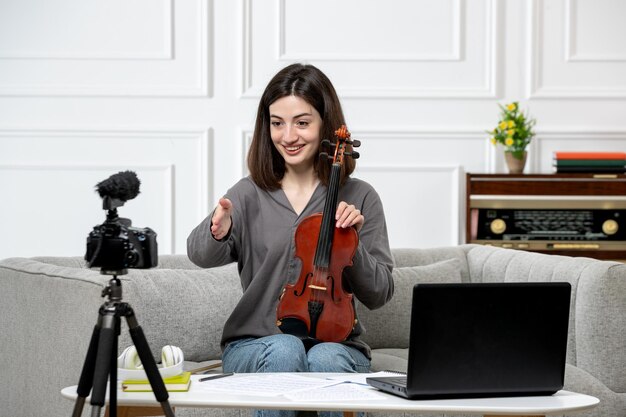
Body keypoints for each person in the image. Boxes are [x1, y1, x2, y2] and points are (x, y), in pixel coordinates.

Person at [187, 63, 394, 417]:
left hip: (338, 344)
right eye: (277, 123)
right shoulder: (248, 193)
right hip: (256, 344)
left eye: (302, 122)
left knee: (325, 356)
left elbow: (380, 293)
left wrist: (352, 245)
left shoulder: (360, 196)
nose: (288, 136)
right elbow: (199, 255)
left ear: (325, 125)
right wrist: (216, 229)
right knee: (285, 349)